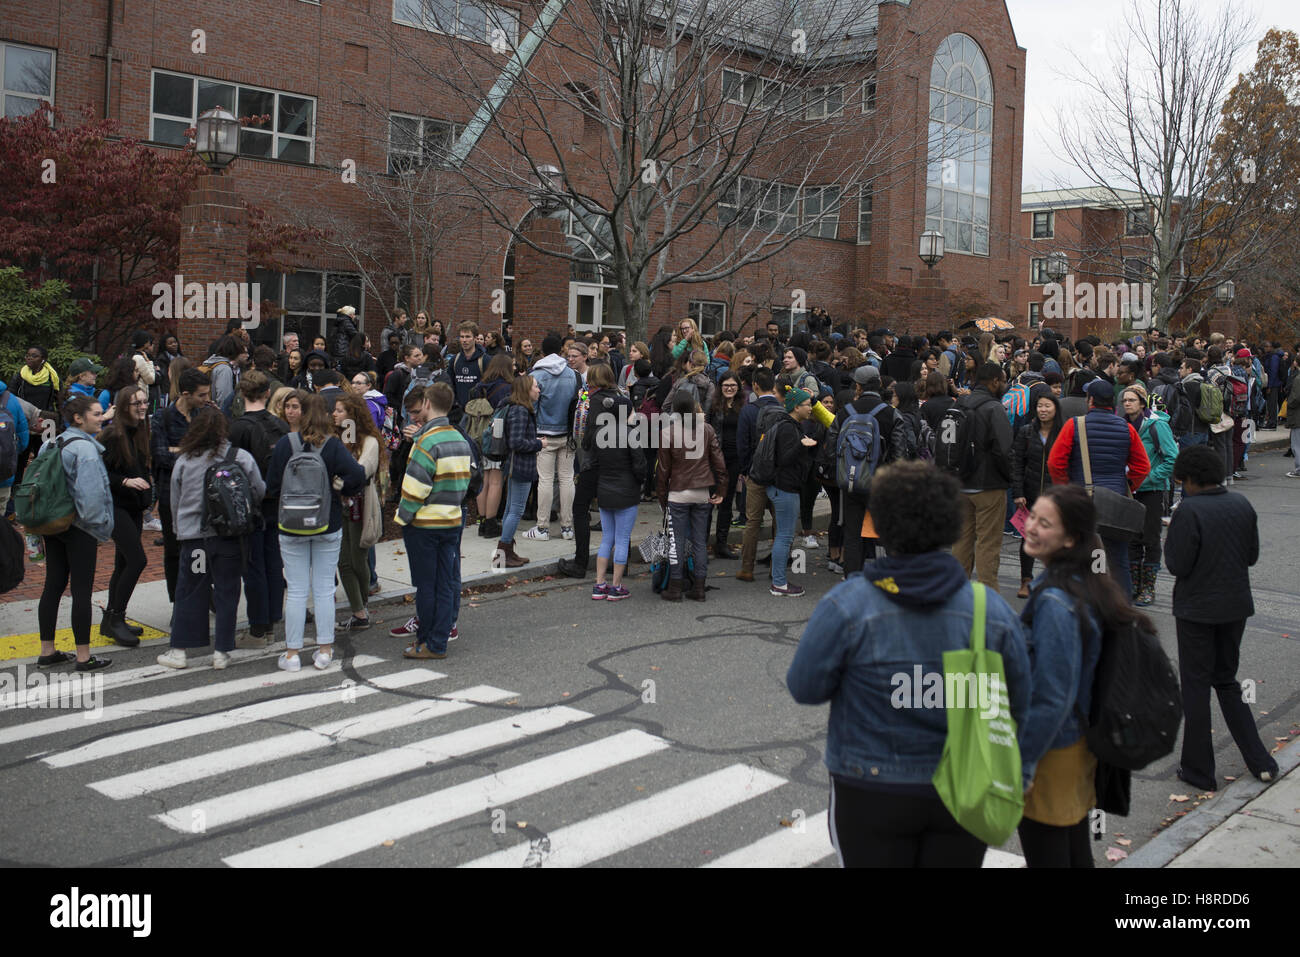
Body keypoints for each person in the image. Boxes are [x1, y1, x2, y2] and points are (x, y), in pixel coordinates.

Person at [786, 462, 1030, 867]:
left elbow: (805, 686)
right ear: (950, 525)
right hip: (963, 785)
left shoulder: (848, 605)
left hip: (869, 783)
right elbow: (1022, 703)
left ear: (880, 523)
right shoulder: (990, 612)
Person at [1017, 484, 1137, 868]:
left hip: (1054, 750)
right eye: (1032, 516)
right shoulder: (1084, 583)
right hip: (1075, 744)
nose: (1031, 527)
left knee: (1050, 853)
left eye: (1044, 523)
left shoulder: (1055, 601)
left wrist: (1021, 764)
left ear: (1070, 539)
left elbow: (1052, 696)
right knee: (1072, 848)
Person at [1164, 445, 1279, 790]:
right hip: (1235, 606)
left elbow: (1177, 564)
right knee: (1226, 680)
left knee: (1196, 687)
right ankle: (1260, 760)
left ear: (1191, 480)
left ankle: (1199, 771)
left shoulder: (1189, 511)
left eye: (1182, 481)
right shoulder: (1241, 504)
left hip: (1197, 609)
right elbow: (1252, 555)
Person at [157, 408, 265, 670]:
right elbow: (259, 490)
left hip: (195, 540)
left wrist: (178, 530)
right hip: (229, 539)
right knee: (228, 590)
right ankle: (222, 651)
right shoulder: (240, 457)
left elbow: (175, 500)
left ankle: (180, 650)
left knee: (191, 590)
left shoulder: (184, 461)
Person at [265, 393, 366, 671]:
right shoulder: (332, 445)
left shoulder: (286, 444)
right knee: (323, 588)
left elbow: (271, 486)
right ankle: (324, 651)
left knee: (296, 590)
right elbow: (357, 476)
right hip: (326, 521)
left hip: (291, 524)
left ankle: (292, 654)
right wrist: (340, 489)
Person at [33, 396, 115, 673]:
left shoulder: (50, 443)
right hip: (79, 528)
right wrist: (99, 528)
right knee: (81, 591)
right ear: (78, 418)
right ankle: (83, 657)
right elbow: (91, 498)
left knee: (53, 585)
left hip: (53, 524)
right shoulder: (86, 450)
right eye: (96, 414)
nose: (101, 418)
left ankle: (47, 651)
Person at [1047, 377, 1151, 597]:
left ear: (1090, 400)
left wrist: (1066, 489)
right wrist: (1128, 484)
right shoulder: (1127, 428)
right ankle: (1122, 608)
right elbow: (1142, 466)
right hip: (1116, 501)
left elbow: (1055, 463)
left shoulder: (1074, 425)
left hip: (1082, 501)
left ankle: (1081, 602)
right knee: (1118, 558)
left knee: (1079, 554)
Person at [394, 383, 471, 659]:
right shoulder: (459, 439)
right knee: (445, 582)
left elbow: (414, 488)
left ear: (426, 403)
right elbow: (466, 481)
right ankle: (439, 639)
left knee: (426, 586)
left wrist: (403, 517)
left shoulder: (426, 441)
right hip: (451, 519)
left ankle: (427, 640)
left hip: (425, 524)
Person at [229, 372, 290, 646]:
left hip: (248, 505)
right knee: (274, 562)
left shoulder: (237, 428)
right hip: (277, 501)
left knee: (253, 566)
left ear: (242, 394)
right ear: (267, 393)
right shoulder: (281, 426)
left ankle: (258, 627)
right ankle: (272, 620)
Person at [948, 362, 1014, 592]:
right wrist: (1009, 479)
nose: (1004, 384)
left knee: (962, 540)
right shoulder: (994, 408)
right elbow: (1004, 449)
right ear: (995, 381)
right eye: (1003, 380)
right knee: (988, 542)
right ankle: (988, 594)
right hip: (989, 484)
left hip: (960, 482)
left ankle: (956, 590)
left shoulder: (960, 403)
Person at [657, 389, 727, 602]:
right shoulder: (707, 429)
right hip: (702, 491)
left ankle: (675, 588)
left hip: (678, 492)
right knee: (699, 541)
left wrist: (662, 497)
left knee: (676, 542)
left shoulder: (667, 432)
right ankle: (699, 587)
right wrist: (721, 489)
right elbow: (719, 463)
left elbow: (663, 471)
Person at [582, 364, 644, 601]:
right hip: (627, 490)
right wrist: (641, 482)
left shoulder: (600, 435)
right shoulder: (631, 434)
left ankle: (599, 584)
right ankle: (616, 586)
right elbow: (639, 465)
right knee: (622, 538)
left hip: (605, 488)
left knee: (606, 537)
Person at [98, 385, 153, 646]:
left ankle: (111, 620)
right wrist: (125, 482)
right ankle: (116, 617)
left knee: (123, 563)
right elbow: (99, 474)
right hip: (115, 507)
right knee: (137, 560)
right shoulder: (112, 435)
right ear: (123, 407)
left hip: (133, 508)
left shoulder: (140, 431)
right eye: (136, 403)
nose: (142, 406)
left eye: (144, 401)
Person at [150, 368, 211, 602]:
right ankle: (178, 600)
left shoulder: (204, 416)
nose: (206, 399)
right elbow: (160, 456)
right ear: (186, 394)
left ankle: (202, 594)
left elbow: (211, 453)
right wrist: (193, 453)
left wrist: (179, 451)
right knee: (174, 550)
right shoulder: (163, 417)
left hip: (200, 494)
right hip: (170, 495)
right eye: (202, 395)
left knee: (201, 546)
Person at [332, 391, 384, 631]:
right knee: (343, 562)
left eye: (340, 410)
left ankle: (361, 605)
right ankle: (359, 611)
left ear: (352, 415)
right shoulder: (337, 438)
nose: (334, 414)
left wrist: (337, 481)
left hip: (360, 506)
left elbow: (360, 474)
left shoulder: (369, 442)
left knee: (358, 557)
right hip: (339, 506)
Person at [1121, 384, 1176, 606]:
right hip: (1129, 490)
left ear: (1142, 403)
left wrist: (1149, 476)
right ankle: (1133, 585)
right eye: (1124, 400)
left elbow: (1172, 458)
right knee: (1132, 538)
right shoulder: (1123, 424)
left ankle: (1148, 588)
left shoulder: (1156, 426)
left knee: (1150, 539)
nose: (1127, 403)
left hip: (1152, 490)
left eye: (1132, 400)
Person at [763, 388, 818, 598]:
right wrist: (802, 445)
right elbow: (785, 459)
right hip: (785, 487)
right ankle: (779, 583)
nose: (811, 408)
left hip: (785, 487)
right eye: (807, 405)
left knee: (784, 535)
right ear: (796, 407)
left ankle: (779, 581)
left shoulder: (793, 425)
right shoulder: (788, 428)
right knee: (784, 536)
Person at [525, 334, 578, 541]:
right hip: (568, 433)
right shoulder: (573, 375)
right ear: (561, 350)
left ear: (543, 350)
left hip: (544, 434)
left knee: (545, 480)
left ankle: (542, 527)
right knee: (566, 479)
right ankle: (567, 527)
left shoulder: (537, 374)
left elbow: (532, 407)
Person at [1010, 386, 1061, 598]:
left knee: (1055, 538)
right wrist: (1018, 491)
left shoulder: (1063, 432)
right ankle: (1026, 580)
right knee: (1027, 537)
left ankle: (1053, 579)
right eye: (1039, 406)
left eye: (1047, 406)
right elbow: (1016, 462)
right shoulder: (1027, 432)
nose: (1043, 410)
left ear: (1055, 409)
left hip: (1054, 495)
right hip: (1029, 493)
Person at [735, 367, 782, 582]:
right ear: (773, 385)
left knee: (753, 522)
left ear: (754, 385)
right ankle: (777, 566)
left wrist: (745, 471)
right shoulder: (784, 409)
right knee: (779, 522)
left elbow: (742, 445)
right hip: (780, 475)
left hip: (755, 473)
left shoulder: (748, 411)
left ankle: (747, 568)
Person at [494, 374, 543, 568]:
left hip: (517, 465)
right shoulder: (520, 411)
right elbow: (516, 442)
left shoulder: (519, 409)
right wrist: (539, 443)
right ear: (526, 390)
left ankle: (506, 553)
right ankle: (502, 555)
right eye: (536, 387)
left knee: (510, 510)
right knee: (516, 510)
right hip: (520, 466)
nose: (539, 390)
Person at [470, 355, 514, 539]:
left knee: (484, 479)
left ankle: (481, 520)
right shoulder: (508, 388)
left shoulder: (479, 387)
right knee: (496, 481)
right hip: (496, 437)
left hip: (477, 437)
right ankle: (490, 522)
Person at [708, 372, 745, 559]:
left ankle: (721, 543)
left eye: (733, 385)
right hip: (715, 458)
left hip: (734, 460)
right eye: (725, 385)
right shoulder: (713, 406)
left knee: (727, 501)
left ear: (738, 387)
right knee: (708, 502)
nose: (729, 388)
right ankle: (703, 543)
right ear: (720, 387)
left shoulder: (742, 407)